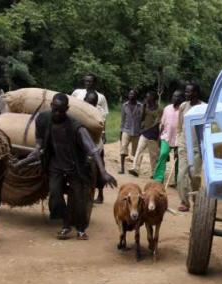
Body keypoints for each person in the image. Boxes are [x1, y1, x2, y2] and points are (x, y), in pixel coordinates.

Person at [16, 93, 117, 240]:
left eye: (61, 111)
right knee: (55, 196)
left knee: (79, 199)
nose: (57, 113)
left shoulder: (77, 127)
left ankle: (81, 229)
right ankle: (66, 223)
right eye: (55, 109)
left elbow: (93, 150)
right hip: (55, 165)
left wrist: (103, 172)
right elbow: (39, 147)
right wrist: (22, 162)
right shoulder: (43, 119)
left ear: (67, 109)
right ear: (51, 106)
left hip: (75, 166)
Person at [176, 83, 206, 212]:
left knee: (194, 176)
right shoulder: (183, 106)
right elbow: (179, 127)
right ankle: (184, 202)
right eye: (186, 91)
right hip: (183, 145)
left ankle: (196, 199)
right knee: (181, 176)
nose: (187, 94)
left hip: (197, 147)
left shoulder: (204, 107)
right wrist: (177, 144)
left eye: (190, 92)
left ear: (196, 93)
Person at [152, 89, 184, 183]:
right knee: (163, 155)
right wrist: (158, 137)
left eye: (177, 96)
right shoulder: (167, 108)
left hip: (179, 139)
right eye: (173, 96)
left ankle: (178, 180)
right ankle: (158, 178)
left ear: (182, 99)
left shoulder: (184, 110)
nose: (174, 98)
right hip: (166, 137)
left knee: (178, 160)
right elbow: (162, 124)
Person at [129, 91, 161, 177]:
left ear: (154, 98)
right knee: (139, 150)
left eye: (148, 97)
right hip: (144, 133)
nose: (146, 98)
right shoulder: (145, 106)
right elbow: (141, 118)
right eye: (146, 97)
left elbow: (157, 122)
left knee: (153, 155)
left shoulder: (159, 109)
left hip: (153, 134)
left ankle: (154, 172)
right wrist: (141, 128)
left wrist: (146, 129)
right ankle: (135, 169)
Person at [83, 91, 107, 204]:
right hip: (81, 143)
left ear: (96, 102)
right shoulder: (79, 107)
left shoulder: (99, 112)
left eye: (92, 102)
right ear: (85, 99)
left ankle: (100, 194)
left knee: (99, 168)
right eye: (88, 101)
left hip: (96, 144)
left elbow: (100, 125)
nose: (90, 104)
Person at [119, 89, 143, 174]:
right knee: (123, 148)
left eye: (133, 94)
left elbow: (142, 119)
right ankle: (122, 168)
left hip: (137, 132)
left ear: (136, 96)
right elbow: (122, 119)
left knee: (136, 151)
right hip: (126, 130)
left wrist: (142, 131)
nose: (131, 96)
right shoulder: (124, 105)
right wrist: (121, 132)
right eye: (130, 94)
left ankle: (136, 169)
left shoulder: (141, 106)